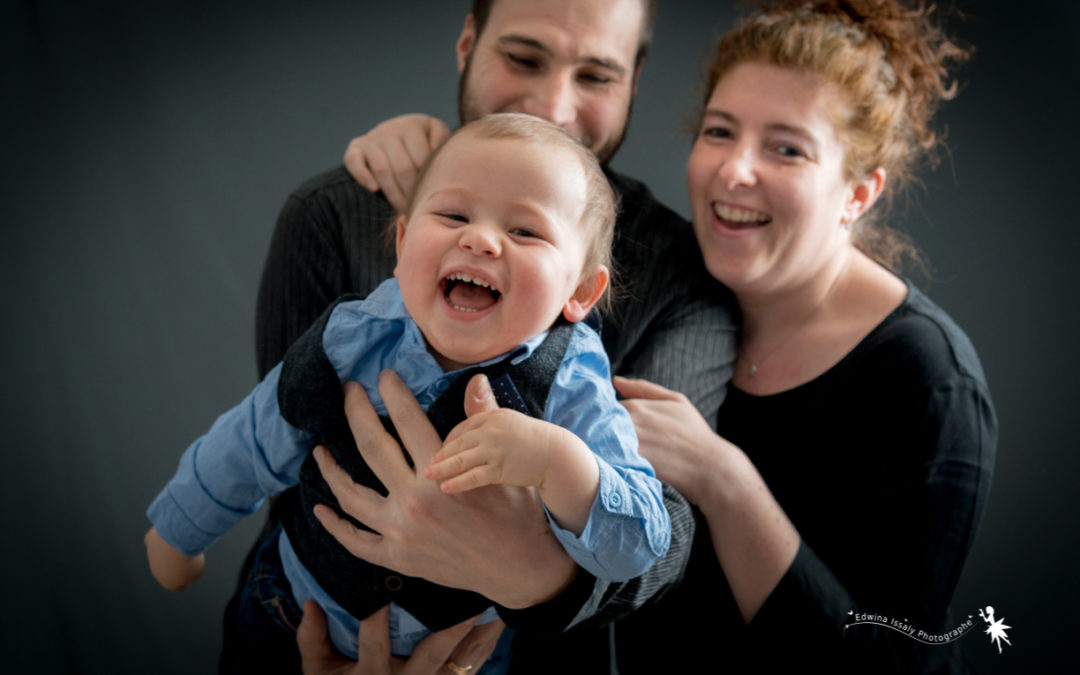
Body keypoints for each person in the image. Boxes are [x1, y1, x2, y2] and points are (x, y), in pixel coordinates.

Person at [242, 0, 737, 672]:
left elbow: (663, 534)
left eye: (596, 76)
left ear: (634, 82)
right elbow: (282, 454)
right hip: (311, 638)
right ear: (468, 44)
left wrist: (531, 573)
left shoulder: (680, 277)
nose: (551, 105)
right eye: (523, 57)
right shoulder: (335, 213)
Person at [144, 114, 673, 672]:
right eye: (452, 215)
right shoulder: (351, 337)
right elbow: (254, 436)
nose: (479, 238)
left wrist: (559, 463)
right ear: (401, 243)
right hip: (294, 615)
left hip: (457, 656)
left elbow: (638, 544)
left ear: (582, 290)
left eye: (525, 231)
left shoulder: (573, 385)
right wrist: (182, 529)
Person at [602, 0, 996, 671]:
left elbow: (890, 663)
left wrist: (726, 480)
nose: (734, 170)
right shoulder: (667, 281)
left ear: (858, 193)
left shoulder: (928, 380)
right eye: (719, 132)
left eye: (786, 148)